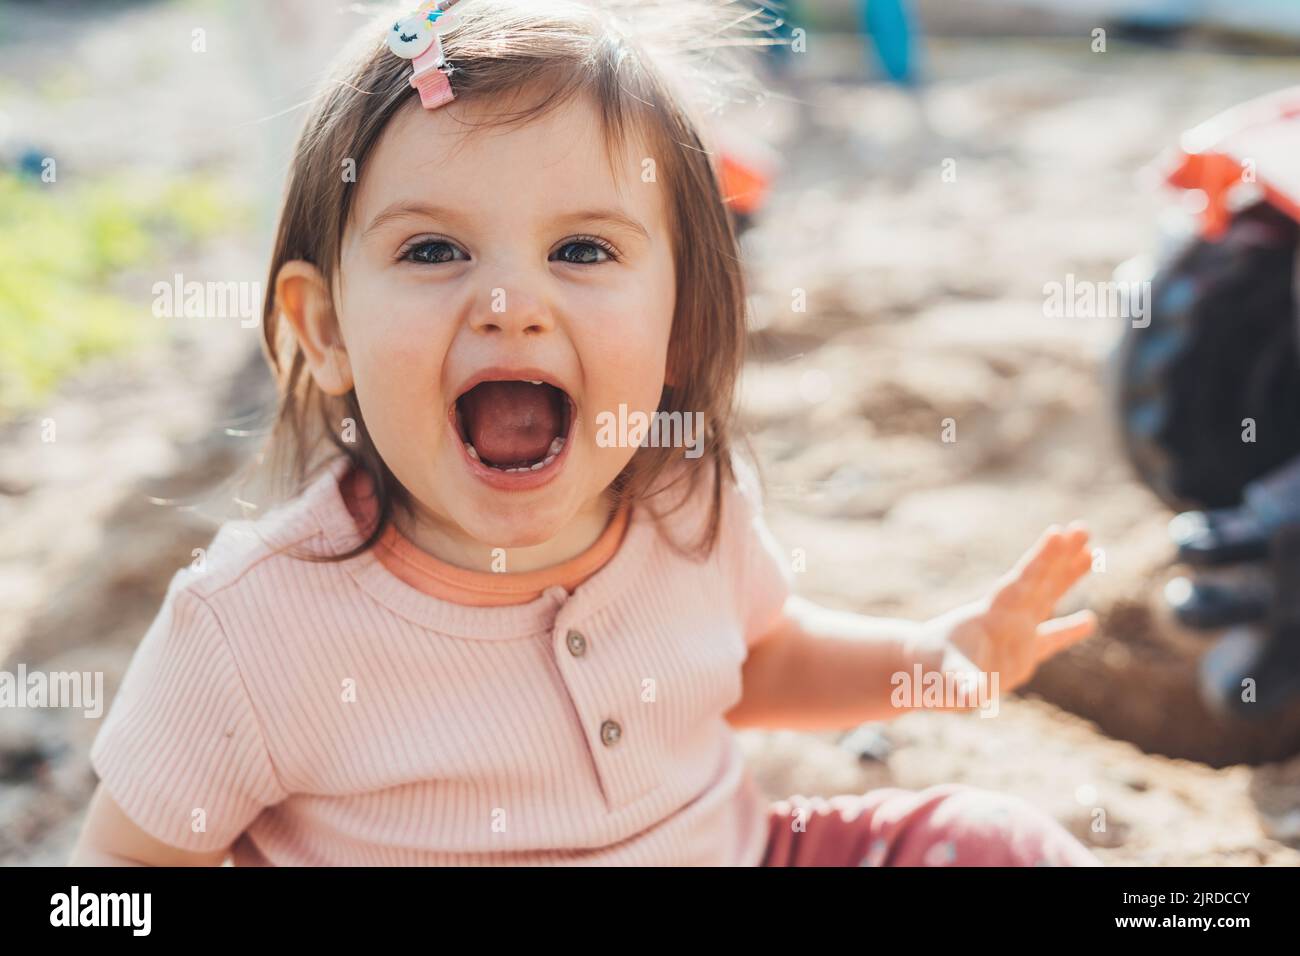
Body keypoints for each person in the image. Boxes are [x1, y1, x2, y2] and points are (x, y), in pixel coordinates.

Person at [71, 0, 1098, 867]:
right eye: (433, 248)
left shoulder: (683, 502)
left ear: (681, 317)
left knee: (989, 842)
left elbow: (757, 663)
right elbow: (116, 869)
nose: (510, 301)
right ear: (326, 328)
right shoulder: (252, 625)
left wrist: (929, 653)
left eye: (581, 248)